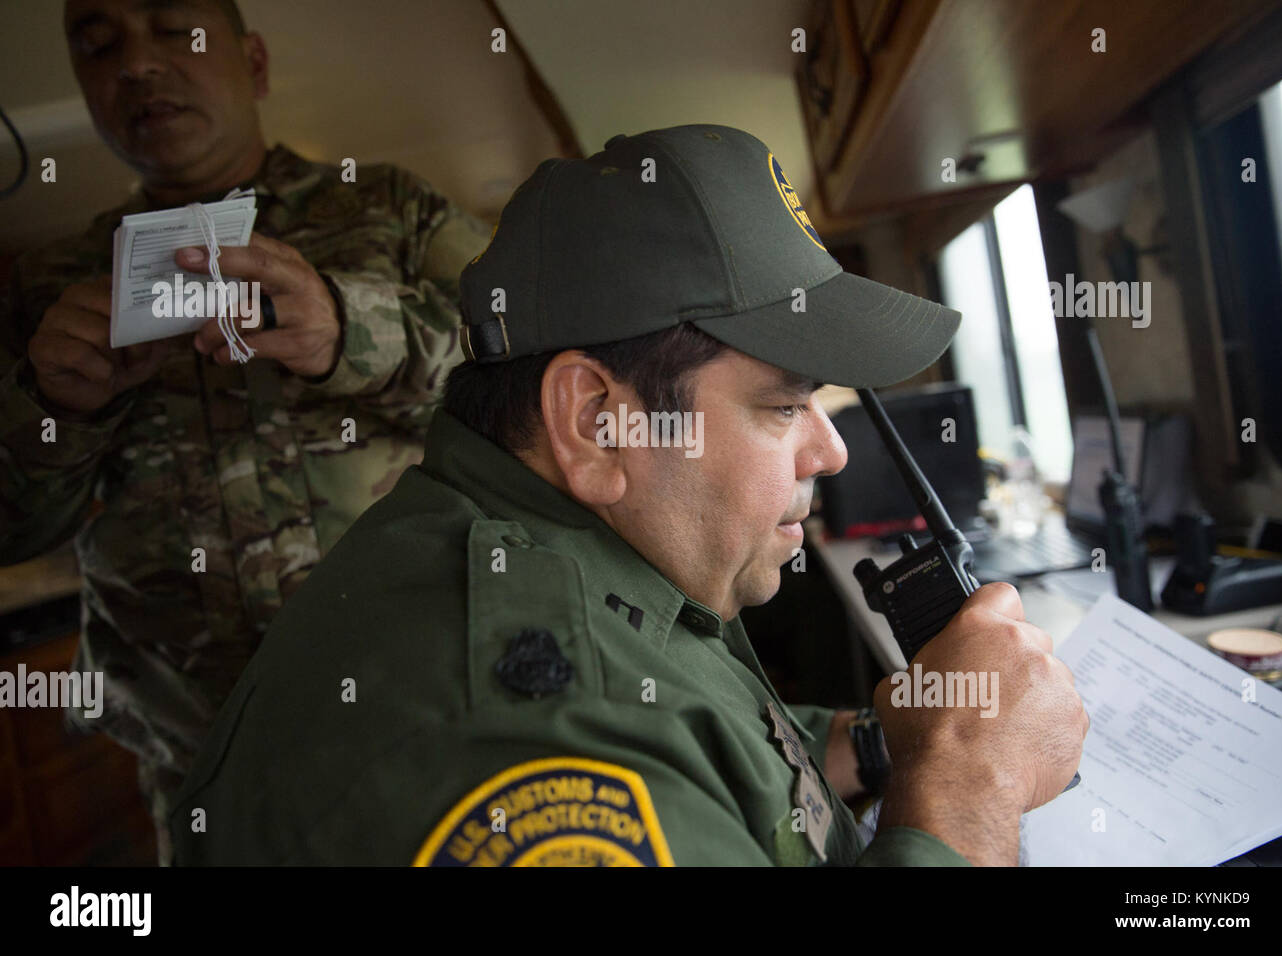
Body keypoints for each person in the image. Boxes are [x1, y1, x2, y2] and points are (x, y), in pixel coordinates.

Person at [168, 124, 1088, 866]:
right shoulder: (529, 738)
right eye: (784, 406)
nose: (832, 452)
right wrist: (971, 787)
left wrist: (899, 742)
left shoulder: (571, 545)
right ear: (598, 422)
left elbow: (705, 735)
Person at [0, 0, 490, 863]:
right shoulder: (45, 288)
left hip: (434, 726)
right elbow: (12, 527)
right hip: (205, 766)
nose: (137, 66)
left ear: (255, 63)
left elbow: (539, 380)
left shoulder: (391, 209)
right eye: (98, 45)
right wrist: (55, 409)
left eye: (174, 30)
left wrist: (350, 331)